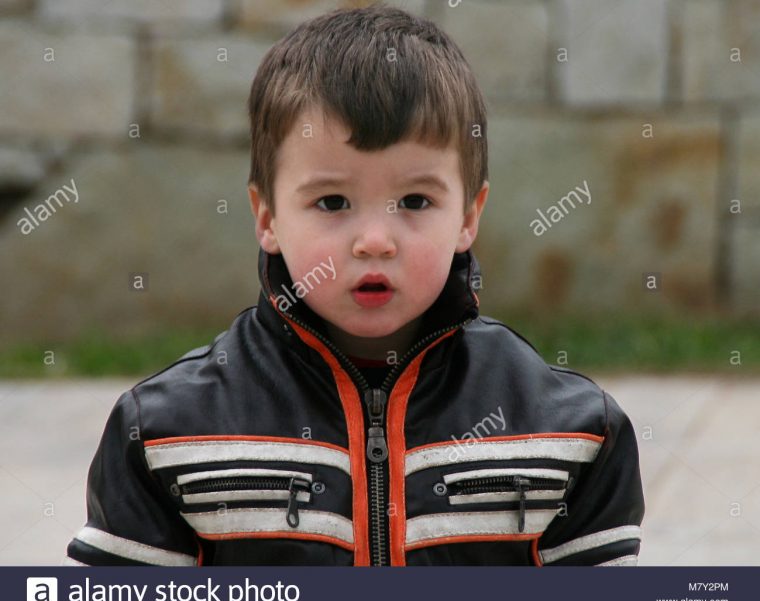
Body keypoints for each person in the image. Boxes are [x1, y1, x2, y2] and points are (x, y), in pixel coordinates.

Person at [65, 3, 644, 567]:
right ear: (267, 217)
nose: (374, 240)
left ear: (469, 214)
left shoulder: (570, 434)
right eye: (332, 202)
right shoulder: (167, 437)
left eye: (415, 201)